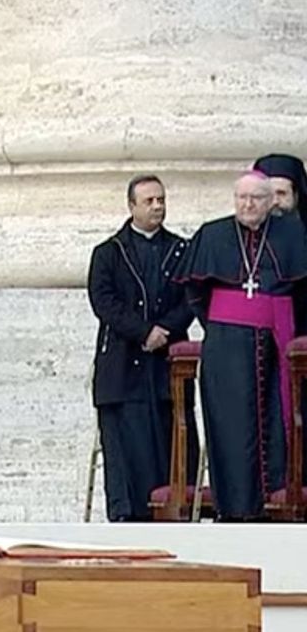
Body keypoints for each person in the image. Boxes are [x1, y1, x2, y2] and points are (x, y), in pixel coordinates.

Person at [175, 171, 307, 520]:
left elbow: (301, 290)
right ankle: (234, 507)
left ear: (270, 202)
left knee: (278, 421)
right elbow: (194, 292)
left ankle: (276, 500)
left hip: (277, 343)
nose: (248, 205)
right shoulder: (213, 234)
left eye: (256, 198)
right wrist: (220, 326)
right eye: (242, 198)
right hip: (226, 347)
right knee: (229, 425)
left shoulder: (291, 233)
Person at [87, 175, 195, 521]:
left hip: (165, 368)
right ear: (131, 206)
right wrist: (144, 332)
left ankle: (173, 512)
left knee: (169, 442)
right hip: (123, 365)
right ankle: (126, 517)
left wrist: (166, 330)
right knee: (126, 448)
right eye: (149, 201)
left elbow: (191, 298)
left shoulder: (181, 251)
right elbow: (104, 301)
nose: (157, 207)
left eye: (161, 200)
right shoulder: (108, 253)